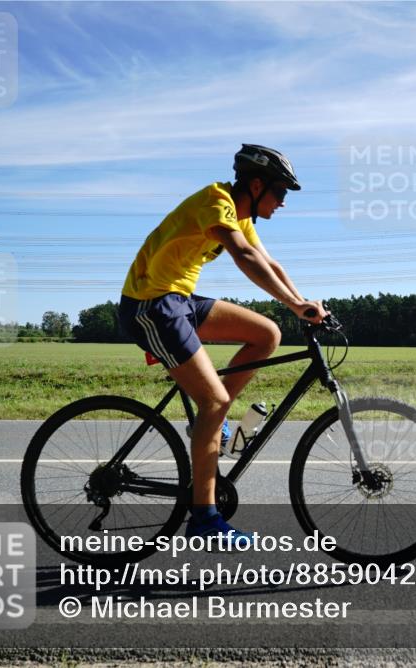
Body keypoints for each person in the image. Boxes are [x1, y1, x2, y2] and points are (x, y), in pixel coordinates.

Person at [118, 144, 327, 541]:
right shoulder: (216, 202)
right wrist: (295, 304)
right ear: (255, 184)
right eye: (280, 193)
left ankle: (213, 421)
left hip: (178, 301)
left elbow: (270, 263)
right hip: (150, 304)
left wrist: (306, 303)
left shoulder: (241, 214)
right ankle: (204, 518)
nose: (282, 203)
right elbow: (244, 256)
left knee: (267, 334)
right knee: (213, 400)